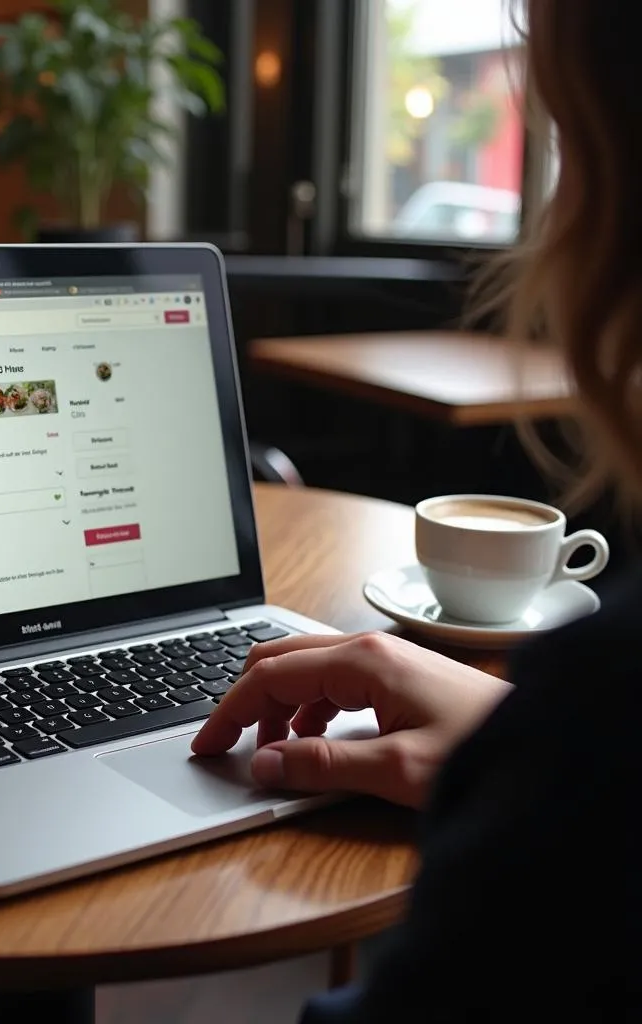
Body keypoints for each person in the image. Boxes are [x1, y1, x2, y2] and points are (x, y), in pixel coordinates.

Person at [192, 2, 637, 1020]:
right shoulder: (595, 709)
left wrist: (562, 753)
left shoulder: (606, 709)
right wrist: (521, 731)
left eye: (565, 143)